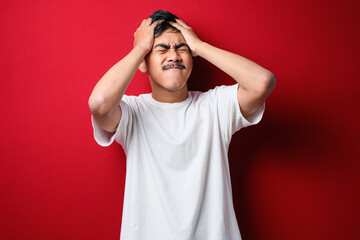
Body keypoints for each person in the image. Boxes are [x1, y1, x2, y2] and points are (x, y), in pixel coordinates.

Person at [89, 10, 276, 240]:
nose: (174, 55)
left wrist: (199, 46)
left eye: (181, 48)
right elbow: (99, 103)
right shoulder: (132, 112)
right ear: (143, 63)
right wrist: (139, 49)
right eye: (162, 48)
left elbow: (262, 82)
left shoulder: (215, 107)